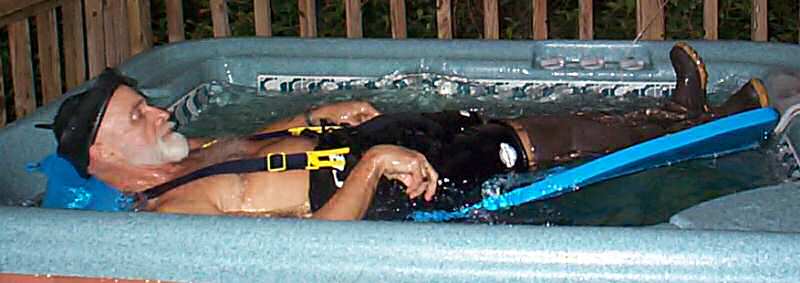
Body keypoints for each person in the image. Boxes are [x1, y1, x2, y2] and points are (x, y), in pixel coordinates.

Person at [41, 42, 769, 220]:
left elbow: (258, 146)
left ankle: (678, 113)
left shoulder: (184, 161)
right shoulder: (176, 211)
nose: (161, 113)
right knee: (538, 141)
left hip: (381, 148)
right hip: (396, 183)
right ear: (104, 156)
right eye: (140, 116)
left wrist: (317, 117)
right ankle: (708, 121)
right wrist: (375, 162)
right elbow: (315, 254)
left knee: (519, 124)